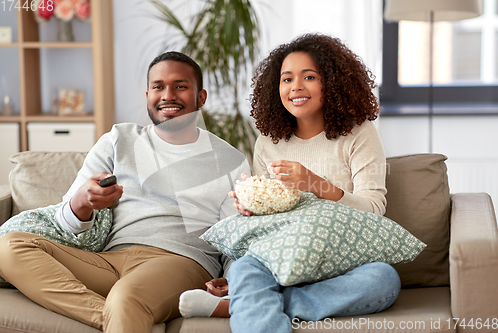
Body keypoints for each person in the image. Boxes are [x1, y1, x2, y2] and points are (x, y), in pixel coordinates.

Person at [0, 51, 250, 333]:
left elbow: (237, 237)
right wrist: (83, 200)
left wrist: (233, 279)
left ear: (200, 97)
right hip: (109, 260)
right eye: (158, 87)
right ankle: (121, 318)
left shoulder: (230, 160)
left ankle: (126, 312)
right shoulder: (118, 139)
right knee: (8, 247)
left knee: (126, 296)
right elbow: (65, 221)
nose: (168, 95)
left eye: (180, 86)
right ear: (147, 95)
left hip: (180, 262)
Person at [179, 33, 401, 333]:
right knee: (246, 268)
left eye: (309, 76)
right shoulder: (268, 143)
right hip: (282, 256)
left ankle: (244, 304)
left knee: (383, 280)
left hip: (341, 259)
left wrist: (313, 183)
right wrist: (251, 207)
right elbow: (266, 225)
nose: (296, 86)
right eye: (286, 79)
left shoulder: (360, 135)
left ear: (333, 83)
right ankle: (249, 297)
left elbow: (374, 210)